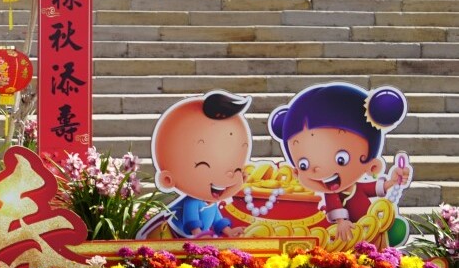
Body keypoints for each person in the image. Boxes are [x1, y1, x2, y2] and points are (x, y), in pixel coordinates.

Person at [268, 82, 412, 245]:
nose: (318, 169)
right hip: (350, 233)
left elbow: (372, 188)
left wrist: (393, 182)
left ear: (372, 165)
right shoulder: (331, 192)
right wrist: (342, 221)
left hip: (368, 228)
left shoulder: (357, 187)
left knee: (389, 232)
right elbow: (334, 205)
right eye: (303, 165)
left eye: (341, 158)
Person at [146, 90, 252, 239]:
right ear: (167, 179)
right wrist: (199, 234)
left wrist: (229, 232)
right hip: (176, 236)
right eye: (204, 165)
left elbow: (217, 220)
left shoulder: (211, 201)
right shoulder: (192, 201)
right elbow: (191, 221)